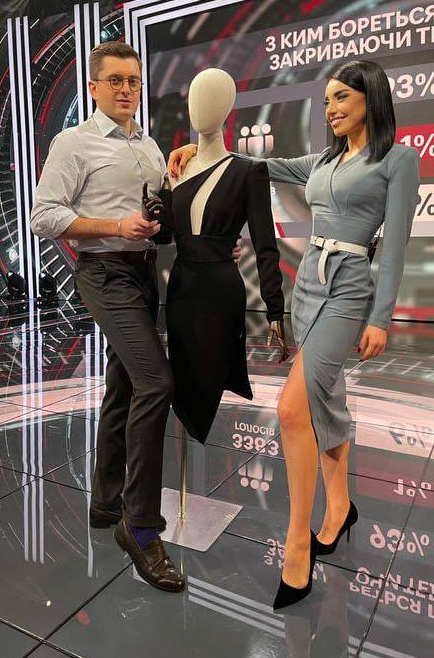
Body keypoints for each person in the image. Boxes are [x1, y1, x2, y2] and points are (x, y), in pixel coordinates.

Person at [168, 60, 420, 609]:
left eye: (341, 98)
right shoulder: (324, 160)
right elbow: (262, 166)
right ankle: (340, 507)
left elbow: (397, 244)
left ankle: (297, 544)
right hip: (308, 286)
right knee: (326, 401)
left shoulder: (397, 160)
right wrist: (204, 153)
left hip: (349, 289)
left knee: (291, 410)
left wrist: (380, 317)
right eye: (326, 100)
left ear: (371, 100)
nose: (330, 109)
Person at [30, 41, 240, 593]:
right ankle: (141, 527)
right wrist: (115, 226)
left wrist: (195, 219)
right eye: (116, 80)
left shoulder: (148, 146)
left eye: (133, 81)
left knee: (124, 387)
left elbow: (161, 217)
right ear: (94, 88)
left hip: (144, 274)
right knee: (156, 383)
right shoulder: (73, 142)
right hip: (104, 274)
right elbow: (43, 217)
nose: (127, 89)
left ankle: (105, 503)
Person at [144, 67, 288, 445]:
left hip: (220, 293)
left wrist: (275, 311)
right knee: (184, 380)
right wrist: (155, 211)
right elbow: (167, 236)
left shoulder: (248, 171)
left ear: (226, 107)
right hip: (182, 289)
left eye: (207, 98)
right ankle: (186, 455)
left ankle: (197, 449)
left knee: (209, 379)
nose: (197, 107)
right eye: (193, 98)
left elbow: (265, 244)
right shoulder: (178, 169)